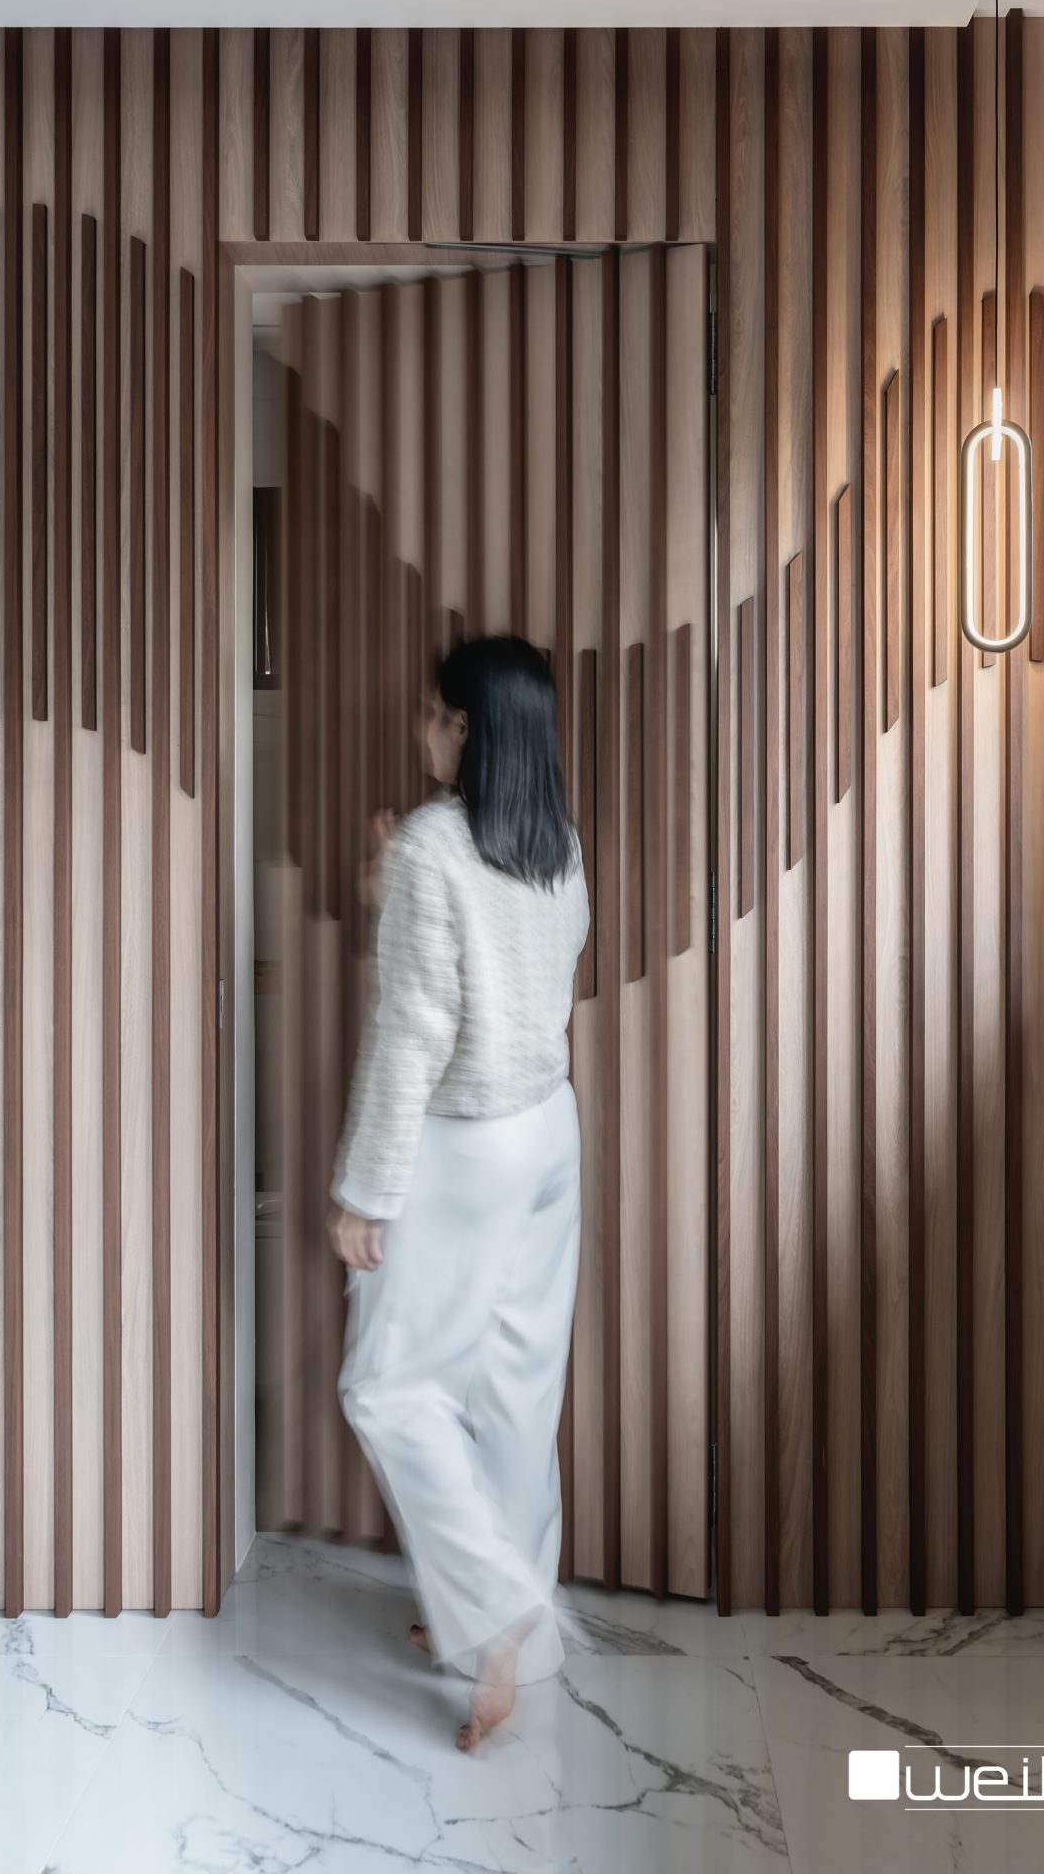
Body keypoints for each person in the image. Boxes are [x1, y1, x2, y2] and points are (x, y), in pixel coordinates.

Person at [327, 635, 589, 1752]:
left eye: (433, 713)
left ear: (466, 728)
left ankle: (495, 1606)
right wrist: (388, 899)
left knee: (386, 1387)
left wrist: (364, 1191)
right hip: (548, 1133)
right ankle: (513, 1638)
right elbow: (517, 974)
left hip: (463, 1144)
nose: (421, 728)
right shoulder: (556, 841)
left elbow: (414, 1032)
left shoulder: (432, 843)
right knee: (516, 1389)